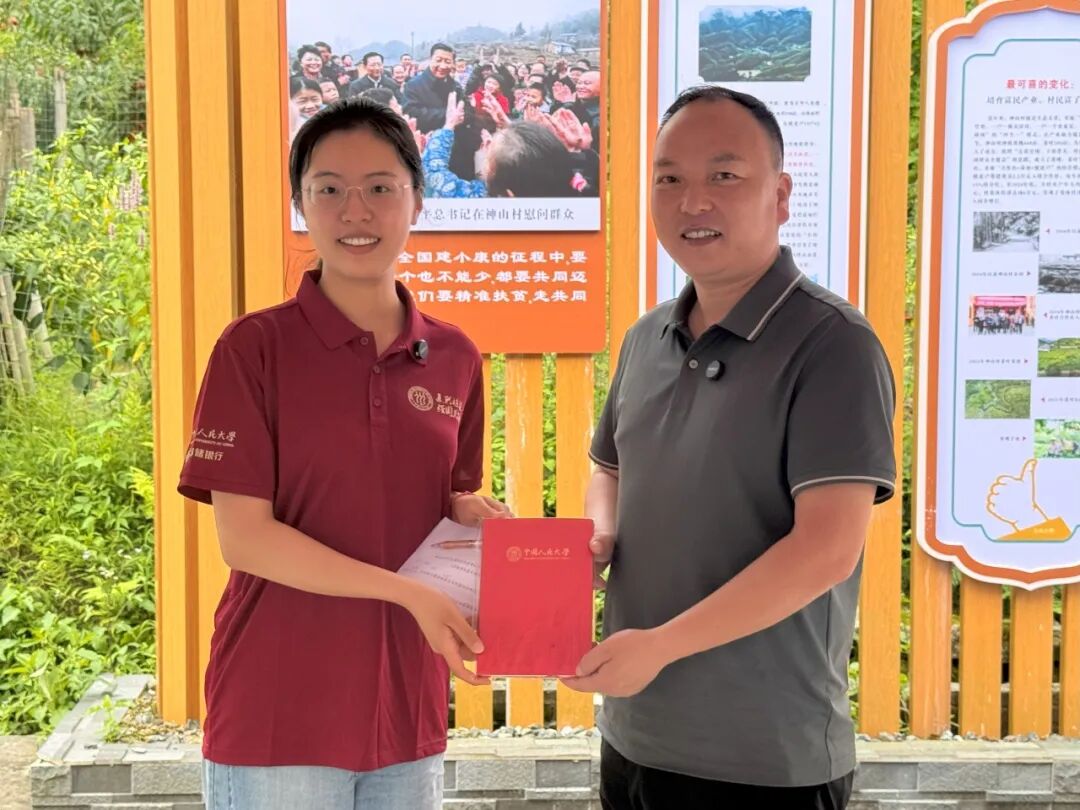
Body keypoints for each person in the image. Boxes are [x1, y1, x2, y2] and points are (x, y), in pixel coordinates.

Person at [562, 86, 895, 809]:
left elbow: (826, 551)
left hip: (763, 759)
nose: (692, 201)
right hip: (634, 735)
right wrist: (600, 532)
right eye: (669, 178)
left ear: (780, 195)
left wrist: (660, 646)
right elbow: (607, 467)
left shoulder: (833, 344)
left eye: (724, 175)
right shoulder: (646, 337)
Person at [181, 97, 510, 810]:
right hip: (278, 716)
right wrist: (406, 593)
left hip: (407, 717)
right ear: (301, 205)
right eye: (328, 189)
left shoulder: (454, 356)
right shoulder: (254, 349)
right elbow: (245, 540)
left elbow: (449, 501)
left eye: (380, 188)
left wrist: (474, 519)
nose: (355, 211)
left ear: (417, 200)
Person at [403, 43, 465, 134]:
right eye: (438, 60)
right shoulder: (413, 85)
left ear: (453, 64)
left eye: (447, 62)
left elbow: (466, 110)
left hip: (454, 138)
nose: (443, 66)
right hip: (426, 138)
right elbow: (411, 113)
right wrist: (448, 115)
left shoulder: (456, 86)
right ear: (430, 59)